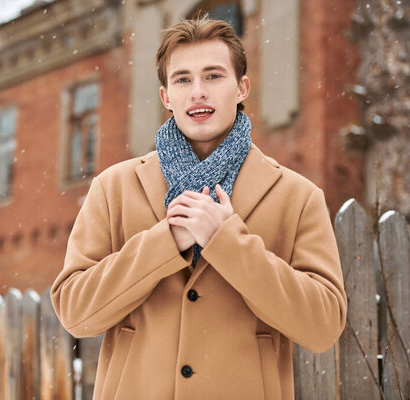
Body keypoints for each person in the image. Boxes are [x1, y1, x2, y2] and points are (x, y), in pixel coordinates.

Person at [51, 17, 346, 400]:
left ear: (241, 88)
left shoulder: (297, 196)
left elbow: (322, 327)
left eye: (213, 76)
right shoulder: (114, 188)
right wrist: (167, 241)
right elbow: (76, 312)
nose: (198, 93)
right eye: (183, 79)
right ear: (166, 97)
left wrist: (228, 241)